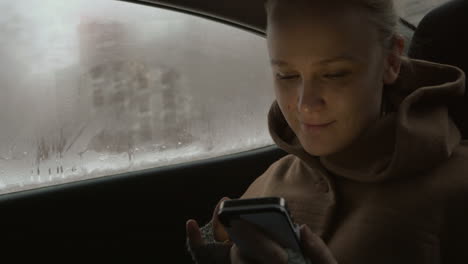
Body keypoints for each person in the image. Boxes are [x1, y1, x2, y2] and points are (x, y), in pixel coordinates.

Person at [186, 0, 467, 263]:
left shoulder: (457, 185)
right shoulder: (272, 178)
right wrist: (218, 250)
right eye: (287, 75)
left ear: (391, 61)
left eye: (335, 74)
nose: (305, 104)